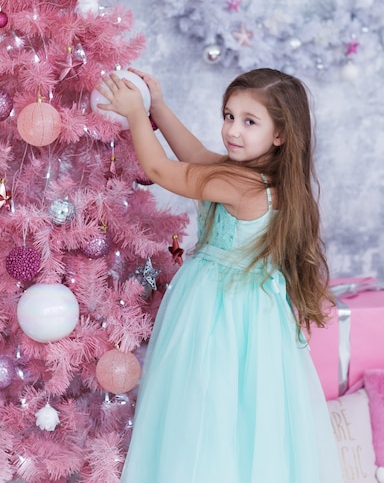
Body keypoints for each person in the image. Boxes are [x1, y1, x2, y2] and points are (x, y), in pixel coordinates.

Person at [97, 67, 343, 483]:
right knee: (237, 409)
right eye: (229, 116)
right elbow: (195, 155)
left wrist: (136, 114)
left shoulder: (240, 184)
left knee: (206, 401)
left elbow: (161, 171)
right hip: (251, 310)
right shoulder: (260, 176)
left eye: (249, 122)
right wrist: (159, 107)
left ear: (279, 134)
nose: (233, 130)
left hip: (218, 308)